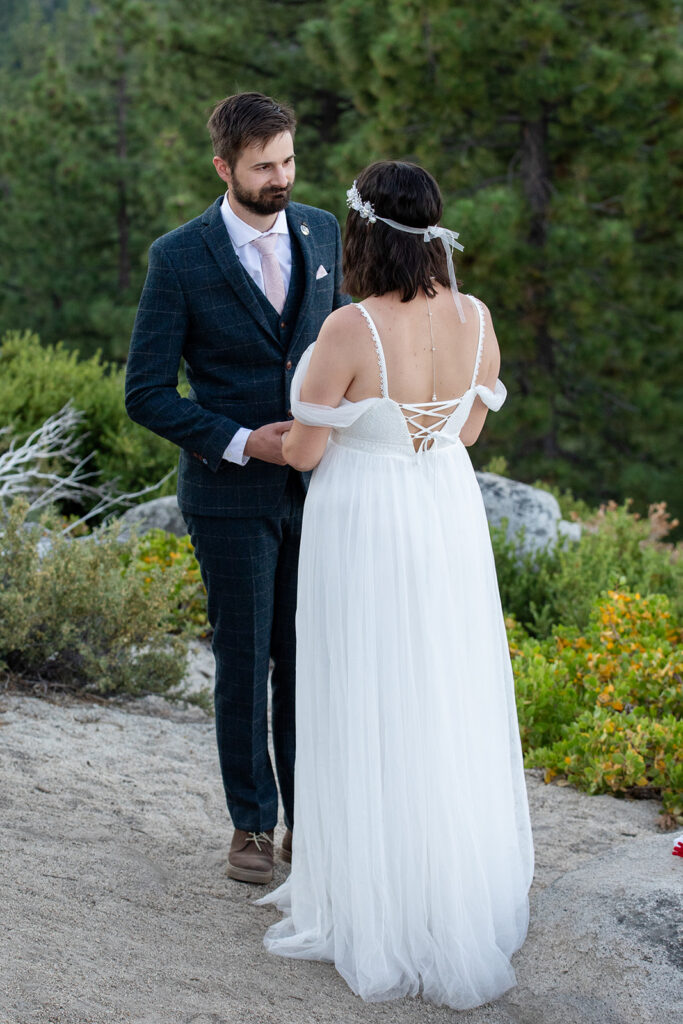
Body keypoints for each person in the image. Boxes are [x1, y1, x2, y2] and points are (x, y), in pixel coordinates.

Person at [256, 161, 534, 1009]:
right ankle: (450, 886)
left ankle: (373, 902)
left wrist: (246, 442)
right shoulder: (476, 316)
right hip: (443, 510)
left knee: (367, 692)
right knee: (441, 690)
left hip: (365, 518)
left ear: (360, 232)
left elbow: (306, 449)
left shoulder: (348, 327)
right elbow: (471, 429)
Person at [125, 92, 350, 884]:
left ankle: (309, 824)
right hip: (227, 495)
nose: (281, 177)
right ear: (224, 167)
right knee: (245, 661)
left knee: (307, 661)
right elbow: (145, 392)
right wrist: (242, 440)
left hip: (319, 489)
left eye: (288, 161)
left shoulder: (323, 231)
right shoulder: (177, 257)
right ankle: (251, 828)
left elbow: (347, 336)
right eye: (263, 166)